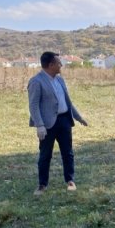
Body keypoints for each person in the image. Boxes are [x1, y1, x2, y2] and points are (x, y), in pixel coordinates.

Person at [28, 52, 88, 195]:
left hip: (64, 121)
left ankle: (70, 180)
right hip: (47, 124)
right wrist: (40, 125)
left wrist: (79, 117)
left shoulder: (60, 80)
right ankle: (42, 185)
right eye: (59, 63)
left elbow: (67, 101)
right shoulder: (36, 81)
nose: (61, 65)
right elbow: (33, 105)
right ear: (51, 65)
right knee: (45, 155)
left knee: (68, 153)